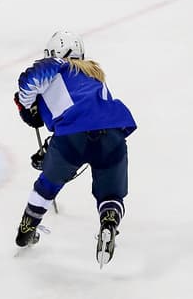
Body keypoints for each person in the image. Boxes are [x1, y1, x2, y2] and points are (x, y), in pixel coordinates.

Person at [12, 31, 136, 267]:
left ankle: (27, 228)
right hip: (112, 133)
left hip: (72, 138)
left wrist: (25, 103)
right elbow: (84, 111)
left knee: (48, 184)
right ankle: (109, 223)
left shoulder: (57, 64)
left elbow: (30, 80)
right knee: (111, 193)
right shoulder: (94, 74)